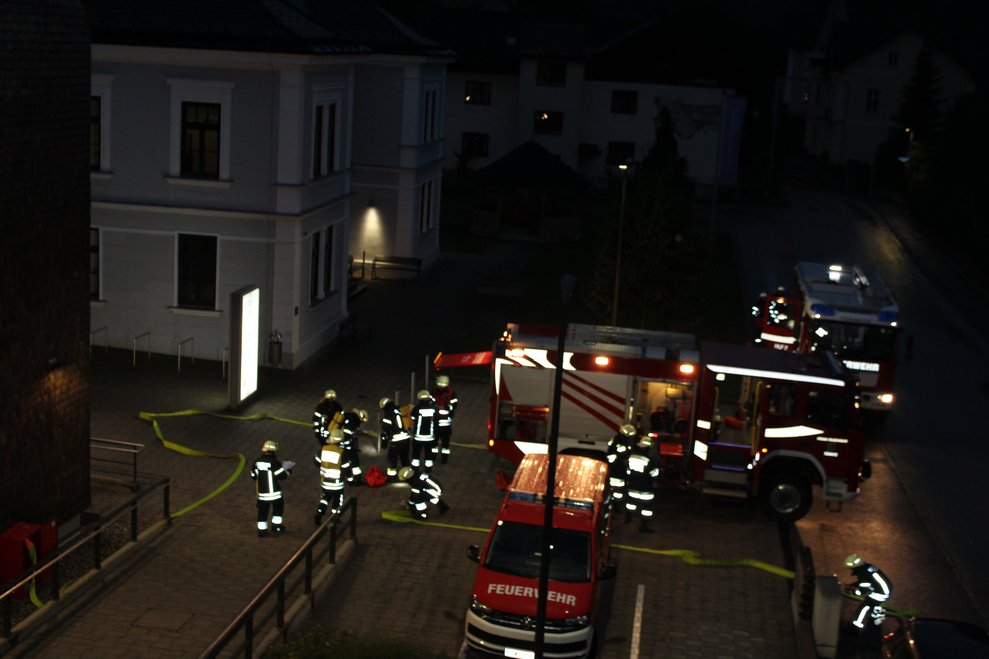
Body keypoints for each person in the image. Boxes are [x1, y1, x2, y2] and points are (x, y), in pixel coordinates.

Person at [251, 440, 292, 537]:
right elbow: (281, 476)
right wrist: (288, 470)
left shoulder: (257, 462)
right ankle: (276, 527)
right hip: (275, 494)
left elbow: (253, 475)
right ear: (274, 451)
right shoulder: (275, 462)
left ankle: (262, 531)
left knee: (262, 513)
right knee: (278, 509)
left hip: (262, 495)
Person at [622, 435, 661, 533]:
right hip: (645, 488)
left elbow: (628, 471)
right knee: (646, 509)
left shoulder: (632, 456)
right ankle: (643, 526)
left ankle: (628, 518)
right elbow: (654, 474)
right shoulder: (650, 460)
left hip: (633, 485)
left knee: (630, 503)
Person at [844, 554, 893, 630]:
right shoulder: (865, 567)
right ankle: (873, 621)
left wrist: (852, 592)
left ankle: (855, 627)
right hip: (884, 590)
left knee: (865, 607)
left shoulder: (863, 573)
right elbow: (865, 581)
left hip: (880, 594)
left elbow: (862, 590)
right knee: (869, 605)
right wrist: (852, 585)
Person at [314, 428, 346, 526]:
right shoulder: (342, 452)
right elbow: (345, 466)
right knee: (337, 501)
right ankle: (335, 517)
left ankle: (320, 512)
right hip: (337, 483)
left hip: (325, 481)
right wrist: (350, 478)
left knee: (325, 498)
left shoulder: (323, 449)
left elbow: (316, 461)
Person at [379, 397, 410, 479]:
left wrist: (384, 444)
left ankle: (392, 477)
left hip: (396, 441)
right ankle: (407, 475)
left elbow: (386, 431)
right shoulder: (400, 409)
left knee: (392, 459)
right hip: (406, 438)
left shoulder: (387, 415)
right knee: (405, 458)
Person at [430, 374, 459, 464]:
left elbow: (454, 405)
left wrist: (445, 407)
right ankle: (433, 456)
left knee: (445, 442)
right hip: (435, 420)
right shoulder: (433, 392)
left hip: (445, 422)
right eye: (439, 385)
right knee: (434, 441)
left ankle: (444, 458)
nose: (441, 387)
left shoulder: (451, 393)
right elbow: (430, 402)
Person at [606, 424, 637, 503]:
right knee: (616, 490)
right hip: (616, 470)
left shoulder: (622, 440)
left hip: (619, 469)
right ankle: (614, 503)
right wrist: (621, 461)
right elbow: (612, 455)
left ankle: (615, 503)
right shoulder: (618, 441)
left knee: (618, 490)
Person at [410, 389, 438, 472]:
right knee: (428, 455)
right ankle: (428, 469)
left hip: (418, 437)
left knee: (416, 455)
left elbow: (413, 418)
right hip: (430, 437)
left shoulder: (417, 408)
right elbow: (437, 420)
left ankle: (415, 469)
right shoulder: (434, 408)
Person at [339, 408, 368, 485]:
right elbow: (350, 433)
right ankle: (356, 480)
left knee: (344, 462)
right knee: (354, 462)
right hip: (348, 445)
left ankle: (348, 478)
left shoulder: (348, 416)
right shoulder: (354, 421)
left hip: (339, 444)